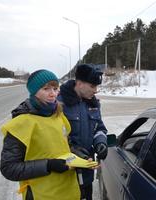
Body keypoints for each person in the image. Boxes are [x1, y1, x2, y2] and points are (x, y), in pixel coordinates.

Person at [0, 69, 80, 200]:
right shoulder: (22, 123)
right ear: (34, 91)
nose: (52, 93)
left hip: (67, 191)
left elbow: (66, 146)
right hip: (40, 194)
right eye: (46, 89)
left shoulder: (58, 116)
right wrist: (48, 165)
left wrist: (80, 156)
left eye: (55, 88)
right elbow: (9, 168)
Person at [58, 64, 108, 200]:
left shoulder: (93, 103)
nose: (96, 90)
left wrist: (100, 142)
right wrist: (73, 151)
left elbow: (99, 127)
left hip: (86, 169)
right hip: (66, 173)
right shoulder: (59, 104)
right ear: (79, 83)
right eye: (92, 86)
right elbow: (54, 138)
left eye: (97, 86)